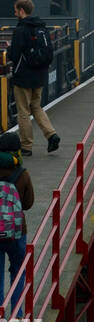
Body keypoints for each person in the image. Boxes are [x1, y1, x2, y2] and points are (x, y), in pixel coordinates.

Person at [10, 0, 60, 156]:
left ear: (22, 11)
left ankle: (26, 146)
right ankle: (52, 134)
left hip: (23, 77)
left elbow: (14, 54)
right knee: (36, 107)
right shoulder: (41, 28)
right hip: (39, 76)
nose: (15, 13)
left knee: (23, 111)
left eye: (16, 10)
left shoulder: (21, 30)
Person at [0, 130, 34, 304]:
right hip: (17, 232)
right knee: (18, 270)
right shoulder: (22, 174)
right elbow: (28, 204)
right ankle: (17, 313)